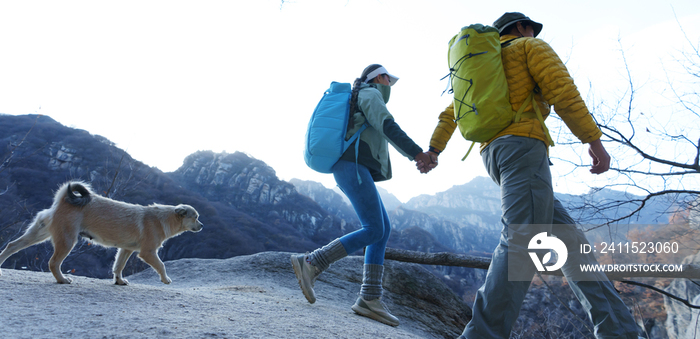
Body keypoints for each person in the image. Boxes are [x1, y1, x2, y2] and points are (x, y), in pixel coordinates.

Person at [420, 13, 641, 339]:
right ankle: (480, 335)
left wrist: (434, 150)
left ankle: (619, 331)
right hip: (523, 149)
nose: (533, 32)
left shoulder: (481, 70)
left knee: (570, 241)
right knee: (522, 239)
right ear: (521, 28)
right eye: (531, 28)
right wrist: (593, 140)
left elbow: (451, 113)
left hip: (492, 155)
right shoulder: (528, 47)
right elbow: (563, 91)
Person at [292, 64, 432, 327]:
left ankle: (369, 298)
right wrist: (418, 154)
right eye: (389, 80)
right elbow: (387, 125)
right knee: (374, 228)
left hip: (355, 167)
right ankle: (312, 262)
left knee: (383, 229)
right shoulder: (370, 94)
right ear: (380, 78)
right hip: (351, 165)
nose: (390, 85)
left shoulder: (364, 95)